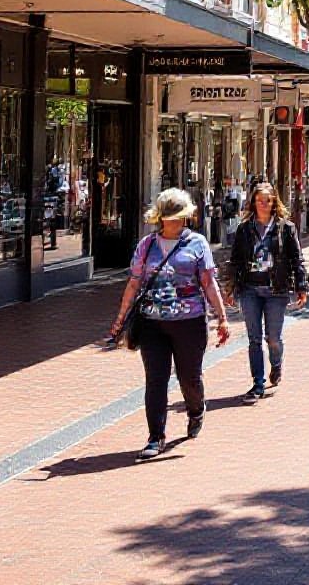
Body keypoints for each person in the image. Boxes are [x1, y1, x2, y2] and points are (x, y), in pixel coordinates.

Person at [109, 188, 230, 461]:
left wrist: (222, 318)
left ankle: (196, 409)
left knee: (189, 377)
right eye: (169, 217)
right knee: (156, 380)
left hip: (190, 321)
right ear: (160, 218)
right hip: (153, 323)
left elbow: (209, 283)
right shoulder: (147, 245)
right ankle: (155, 436)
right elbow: (134, 282)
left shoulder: (197, 243)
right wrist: (120, 318)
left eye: (179, 217)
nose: (175, 222)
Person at [223, 181, 309, 404]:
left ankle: (276, 364)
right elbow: (235, 260)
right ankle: (258, 383)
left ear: (274, 203)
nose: (263, 204)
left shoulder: (285, 228)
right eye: (259, 200)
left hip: (276, 290)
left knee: (273, 338)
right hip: (250, 289)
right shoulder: (244, 229)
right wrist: (230, 288)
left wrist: (301, 287)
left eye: (267, 200)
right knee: (253, 339)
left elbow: (297, 260)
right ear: (253, 202)